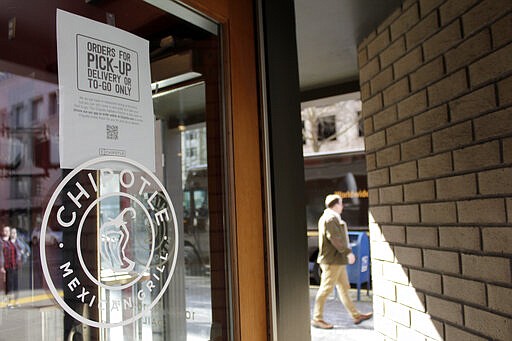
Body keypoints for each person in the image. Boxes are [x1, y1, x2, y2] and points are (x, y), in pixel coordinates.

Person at [311, 194, 373, 329]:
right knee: (326, 289)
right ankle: (317, 318)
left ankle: (356, 315)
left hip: (337, 261)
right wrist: (348, 252)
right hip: (332, 261)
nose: (343, 206)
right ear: (335, 205)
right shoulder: (330, 218)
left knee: (344, 288)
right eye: (341, 203)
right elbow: (335, 238)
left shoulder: (332, 217)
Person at [0, 225, 19, 306]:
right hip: (7, 266)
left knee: (15, 284)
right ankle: (9, 302)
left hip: (14, 266)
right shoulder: (2, 243)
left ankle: (15, 301)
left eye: (8, 231)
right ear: (2, 232)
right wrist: (1, 266)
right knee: (9, 285)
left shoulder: (12, 242)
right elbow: (1, 255)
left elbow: (19, 251)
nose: (7, 232)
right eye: (5, 231)